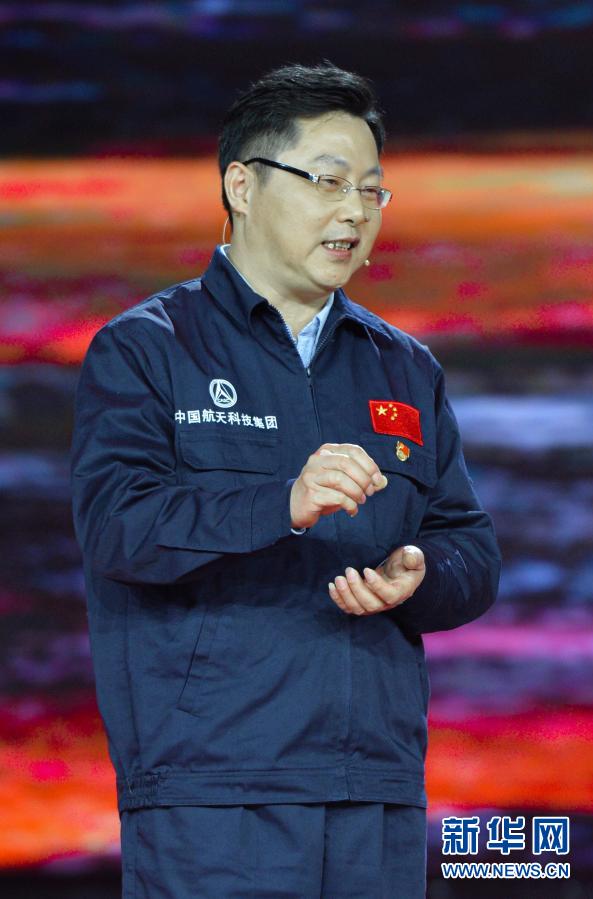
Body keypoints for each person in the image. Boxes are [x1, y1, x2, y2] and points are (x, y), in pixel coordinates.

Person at [71, 62, 501, 899]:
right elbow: (119, 527)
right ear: (242, 185)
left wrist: (420, 572)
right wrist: (281, 503)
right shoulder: (147, 348)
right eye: (328, 182)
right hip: (211, 795)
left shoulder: (403, 366)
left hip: (375, 788)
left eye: (371, 191)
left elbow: (470, 548)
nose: (354, 212)